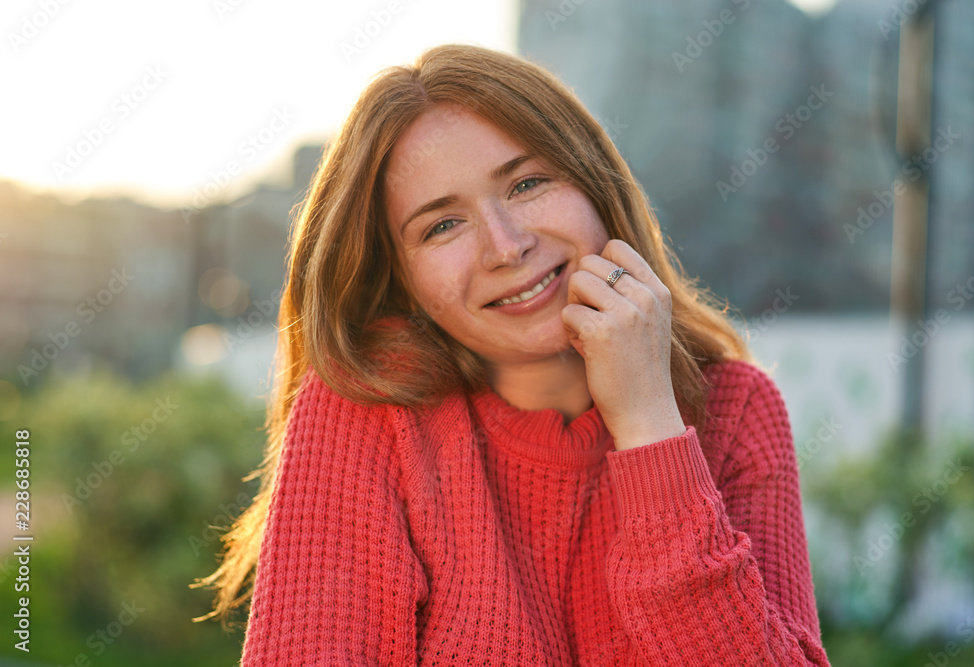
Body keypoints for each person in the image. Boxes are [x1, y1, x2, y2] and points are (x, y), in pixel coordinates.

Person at [196, 43, 831, 665]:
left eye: (527, 184)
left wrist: (649, 426)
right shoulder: (368, 412)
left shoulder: (738, 411)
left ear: (594, 185)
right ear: (402, 280)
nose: (506, 246)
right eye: (442, 225)